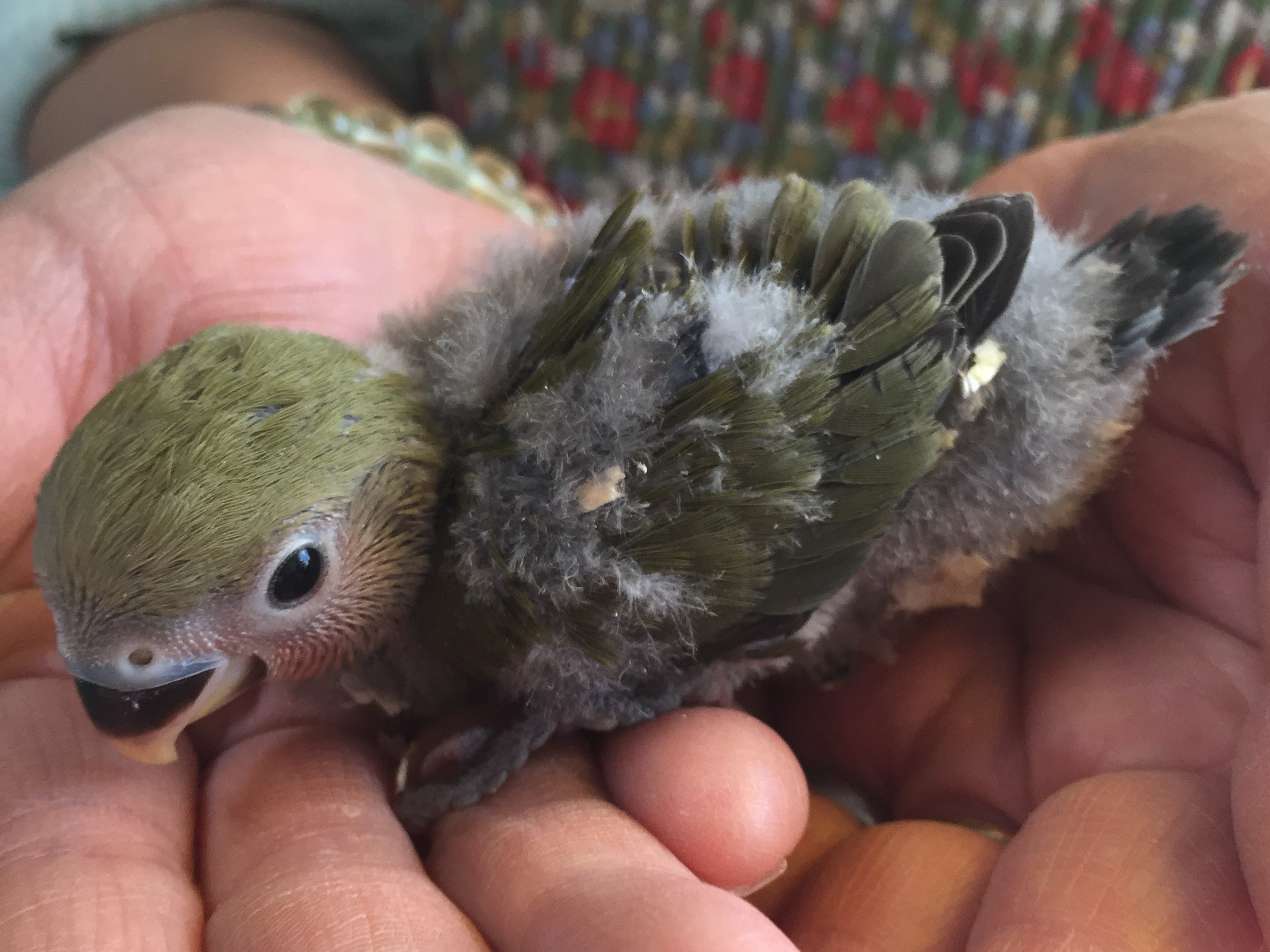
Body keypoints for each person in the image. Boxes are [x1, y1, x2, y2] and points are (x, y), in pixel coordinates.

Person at [1, 6, 1268, 950]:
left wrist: (565, 690)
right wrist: (255, 103)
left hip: (982, 390)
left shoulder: (546, 562)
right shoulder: (439, 410)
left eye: (289, 577)